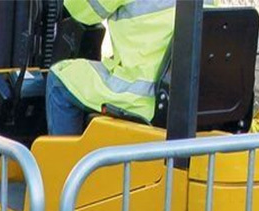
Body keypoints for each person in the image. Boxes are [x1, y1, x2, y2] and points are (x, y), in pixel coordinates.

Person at [45, 0, 181, 136]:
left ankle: (69, 157)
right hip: (183, 93)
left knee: (59, 78)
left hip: (141, 94)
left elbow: (81, 11)